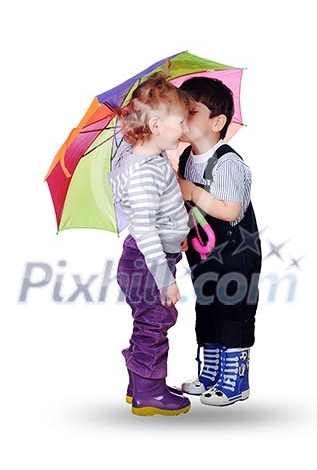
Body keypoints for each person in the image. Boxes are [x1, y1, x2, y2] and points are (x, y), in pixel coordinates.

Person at [107, 73, 191, 416]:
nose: (184, 129)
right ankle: (149, 392)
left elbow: (161, 213)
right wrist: (164, 278)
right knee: (156, 321)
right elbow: (143, 228)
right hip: (147, 263)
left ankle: (139, 383)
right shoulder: (143, 171)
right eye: (180, 122)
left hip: (150, 258)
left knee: (148, 321)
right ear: (155, 125)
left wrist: (178, 232)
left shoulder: (151, 160)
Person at [177, 76, 262, 406]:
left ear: (218, 121)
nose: (182, 119)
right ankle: (211, 370)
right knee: (207, 306)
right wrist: (184, 233)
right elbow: (189, 208)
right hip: (203, 253)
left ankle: (235, 379)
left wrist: (194, 191)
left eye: (192, 112)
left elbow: (230, 210)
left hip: (235, 253)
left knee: (233, 308)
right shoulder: (186, 158)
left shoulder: (228, 162)